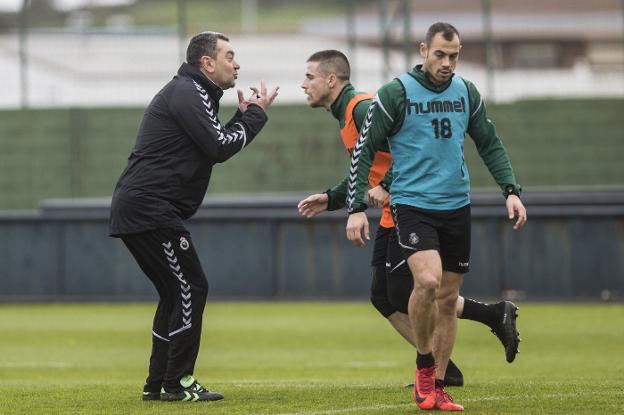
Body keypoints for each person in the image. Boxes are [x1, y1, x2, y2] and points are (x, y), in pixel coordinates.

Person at [297, 50, 521, 388]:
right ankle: (469, 342)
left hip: (411, 206)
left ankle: (451, 355)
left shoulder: (359, 107)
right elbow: (367, 168)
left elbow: (416, 147)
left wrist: (386, 186)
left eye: (309, 77)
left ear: (331, 80)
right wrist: (333, 198)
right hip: (394, 209)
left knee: (409, 292)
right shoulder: (345, 112)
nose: (303, 84)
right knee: (384, 295)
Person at [345, 23, 527, 412]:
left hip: (456, 206)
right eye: (440, 54)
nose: (447, 63)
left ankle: (439, 386)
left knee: (447, 299)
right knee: (426, 281)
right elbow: (364, 151)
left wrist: (510, 190)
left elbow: (489, 142)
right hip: (413, 205)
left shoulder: (466, 92)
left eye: (454, 55)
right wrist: (356, 207)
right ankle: (424, 367)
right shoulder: (396, 93)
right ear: (423, 50)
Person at [109, 31, 279, 402]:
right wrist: (255, 118)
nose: (237, 63)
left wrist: (245, 116)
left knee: (174, 294)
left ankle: (157, 385)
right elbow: (218, 146)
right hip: (149, 208)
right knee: (191, 286)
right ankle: (179, 382)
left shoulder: (196, 94)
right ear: (207, 63)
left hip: (144, 207)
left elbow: (213, 138)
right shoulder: (188, 91)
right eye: (230, 56)